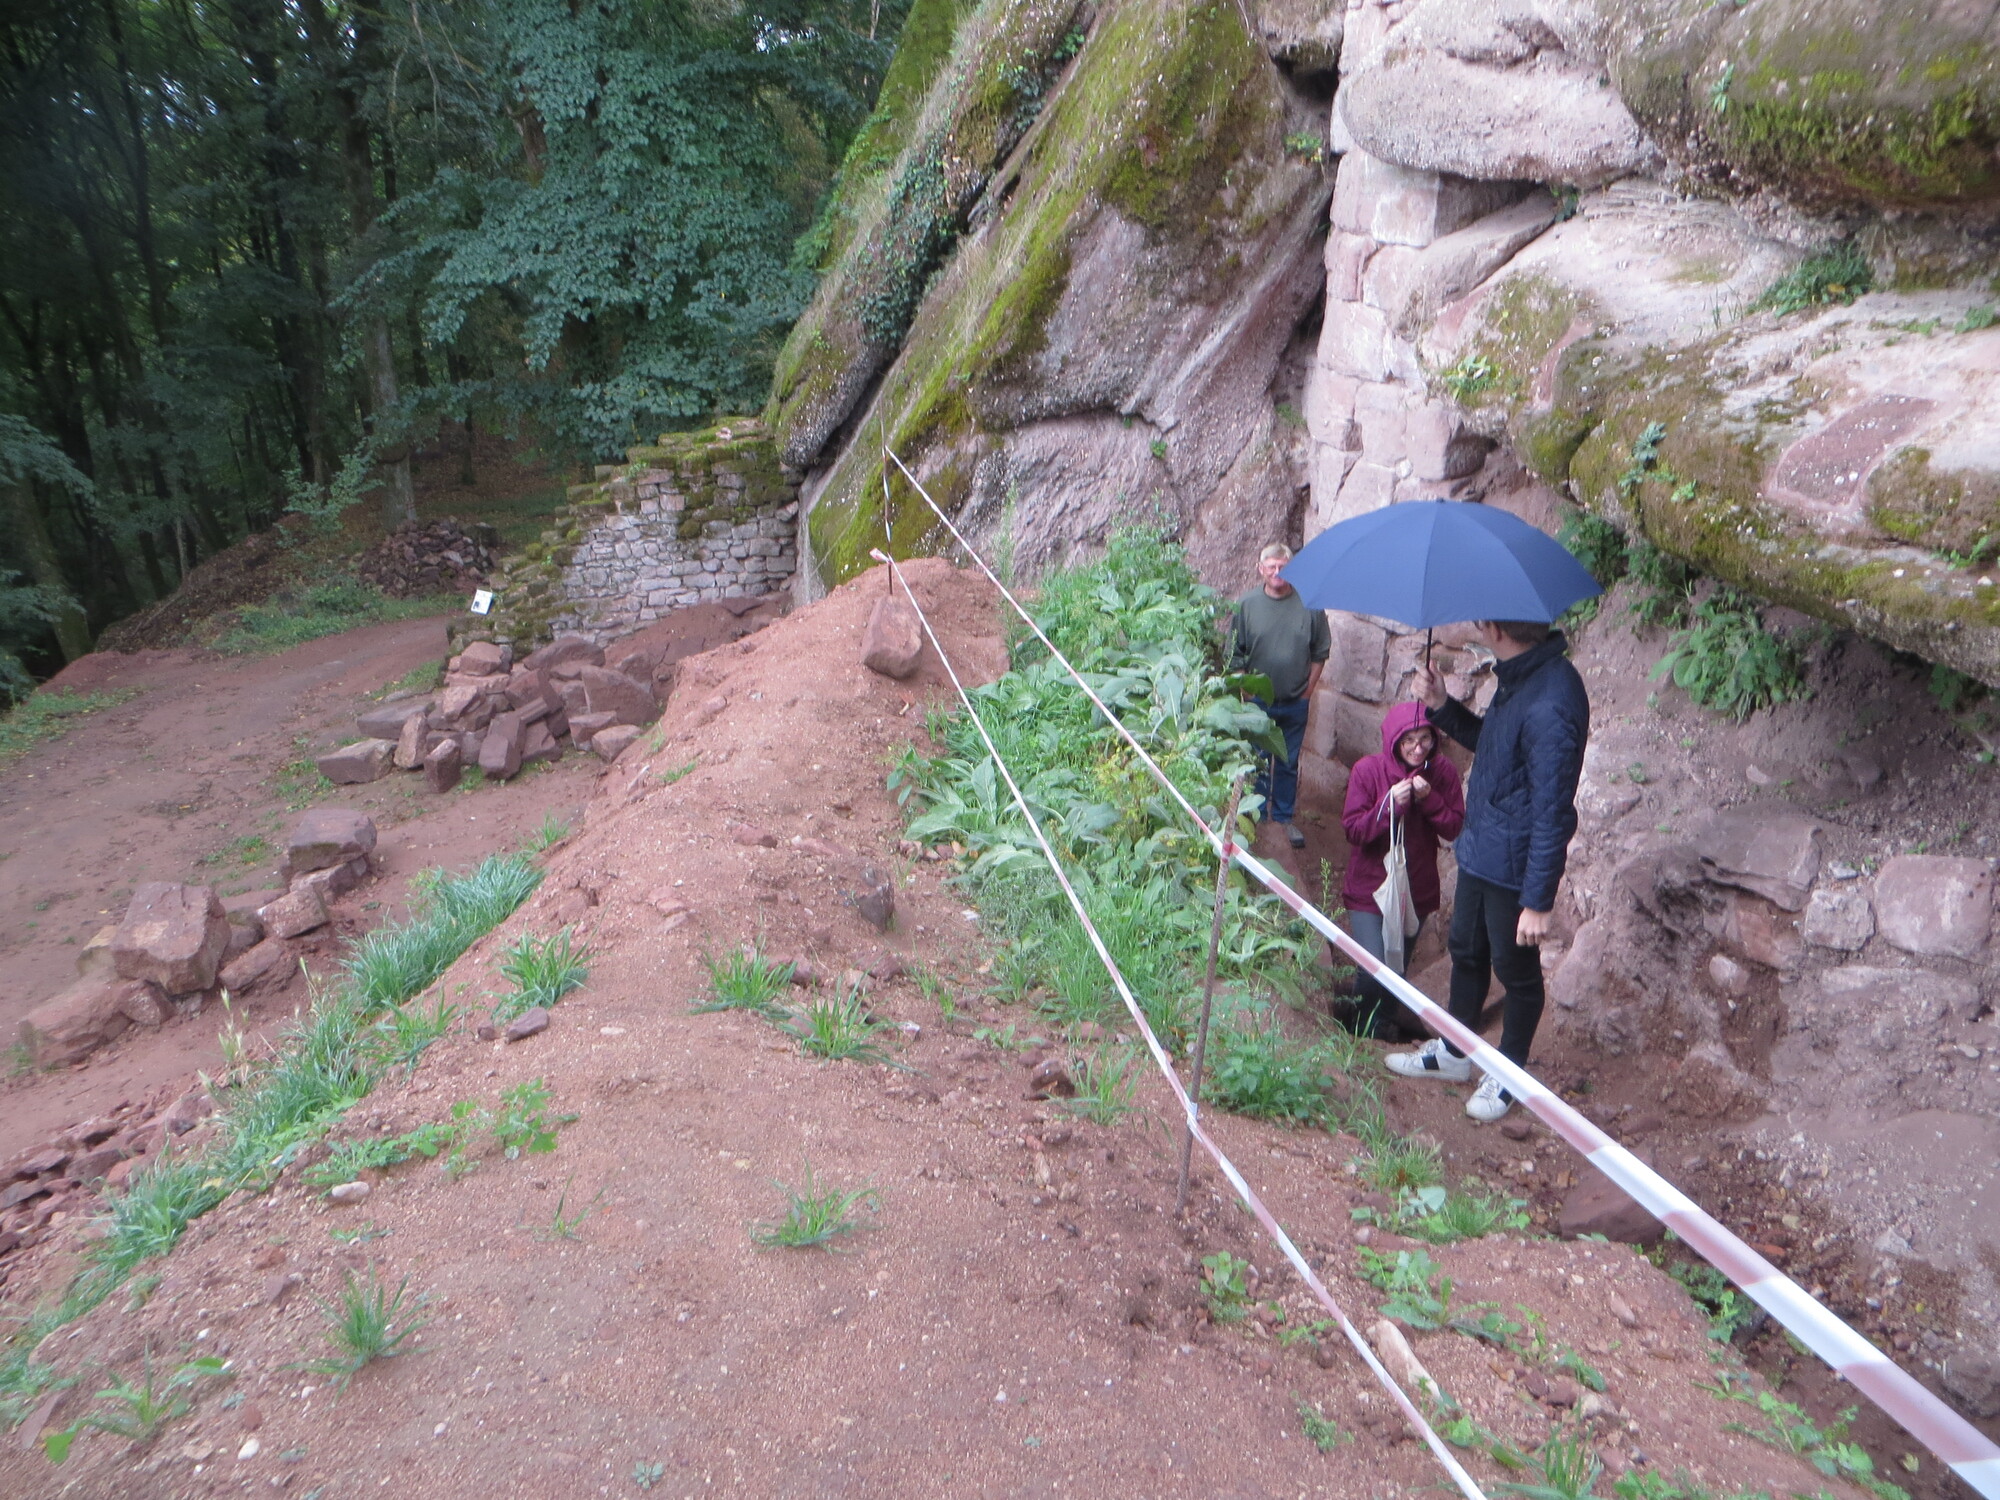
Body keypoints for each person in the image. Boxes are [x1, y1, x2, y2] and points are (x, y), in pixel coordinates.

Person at [1386, 620, 1589, 1122]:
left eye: (1481, 621)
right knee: (1467, 950)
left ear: (1496, 628)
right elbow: (1494, 743)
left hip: (1514, 863)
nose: (1477, 626)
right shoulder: (1520, 676)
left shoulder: (1552, 700)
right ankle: (1456, 1052)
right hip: (1484, 846)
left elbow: (1553, 810)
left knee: (1516, 971)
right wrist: (1442, 706)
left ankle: (1509, 1072)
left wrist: (1538, 899)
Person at [1340, 701, 1464, 1039]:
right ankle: (1360, 1028)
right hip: (1369, 888)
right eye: (1408, 740)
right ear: (1394, 741)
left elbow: (1453, 827)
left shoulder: (1443, 773)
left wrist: (1431, 800)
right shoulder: (1368, 771)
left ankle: (1381, 1026)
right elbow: (1353, 830)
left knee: (1395, 969)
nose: (1417, 748)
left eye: (1425, 739)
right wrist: (1389, 806)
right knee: (1373, 966)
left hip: (1415, 890)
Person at [1229, 543, 1330, 848]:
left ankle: (1284, 819)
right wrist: (1246, 691)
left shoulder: (1310, 605)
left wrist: (1308, 692)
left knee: (1288, 761)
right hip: (1258, 703)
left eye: (1283, 567)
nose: (1277, 572)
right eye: (1271, 566)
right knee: (1258, 761)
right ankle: (1259, 820)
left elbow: (1320, 652)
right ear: (1260, 569)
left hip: (1295, 701)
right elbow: (1236, 653)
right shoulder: (1246, 605)